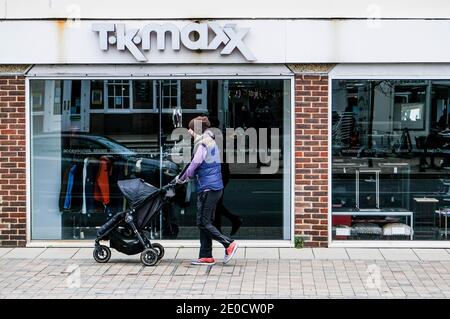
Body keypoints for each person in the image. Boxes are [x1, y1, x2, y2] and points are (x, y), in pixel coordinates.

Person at [176, 116, 238, 266]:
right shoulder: (209, 140)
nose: (189, 131)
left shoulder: (202, 144)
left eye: (190, 128)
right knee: (206, 222)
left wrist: (182, 178)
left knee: (203, 222)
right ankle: (205, 256)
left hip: (208, 188)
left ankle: (228, 244)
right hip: (214, 187)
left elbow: (193, 165)